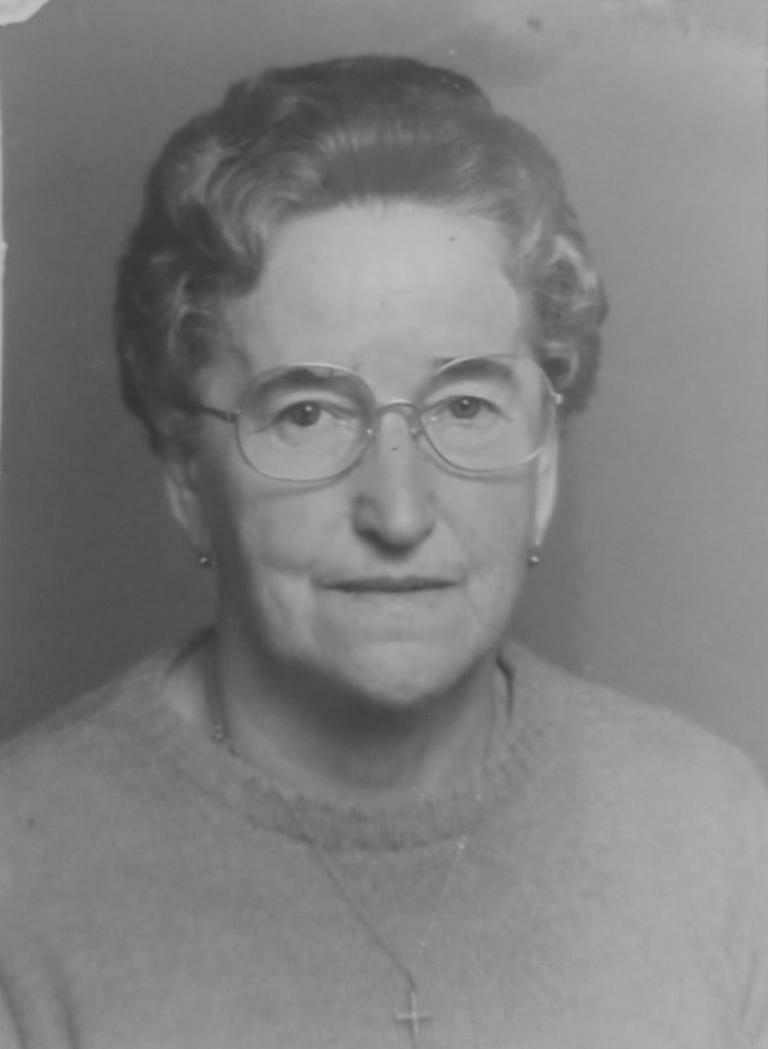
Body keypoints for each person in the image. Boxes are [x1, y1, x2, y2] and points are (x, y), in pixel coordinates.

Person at [0, 54, 766, 1049]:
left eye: (465, 406)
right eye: (308, 412)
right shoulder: (22, 883)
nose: (398, 511)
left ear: (542, 467)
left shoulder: (716, 834)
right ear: (189, 476)